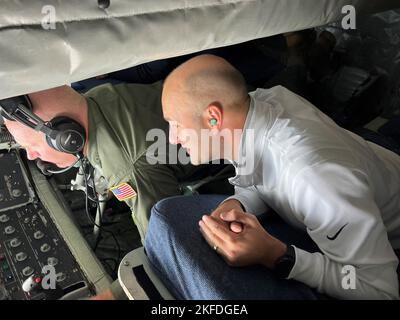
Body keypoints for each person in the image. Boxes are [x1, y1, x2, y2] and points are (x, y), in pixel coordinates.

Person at [144, 54, 400, 299]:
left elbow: (379, 290)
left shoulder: (314, 180)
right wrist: (238, 203)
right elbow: (264, 174)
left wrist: (277, 256)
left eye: (175, 123)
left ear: (213, 118)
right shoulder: (259, 105)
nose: (173, 137)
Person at [0, 81, 233, 299]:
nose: (30, 155)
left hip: (235, 152)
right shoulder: (98, 97)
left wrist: (108, 296)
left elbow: (164, 248)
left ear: (66, 137)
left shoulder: (128, 170)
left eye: (31, 146)